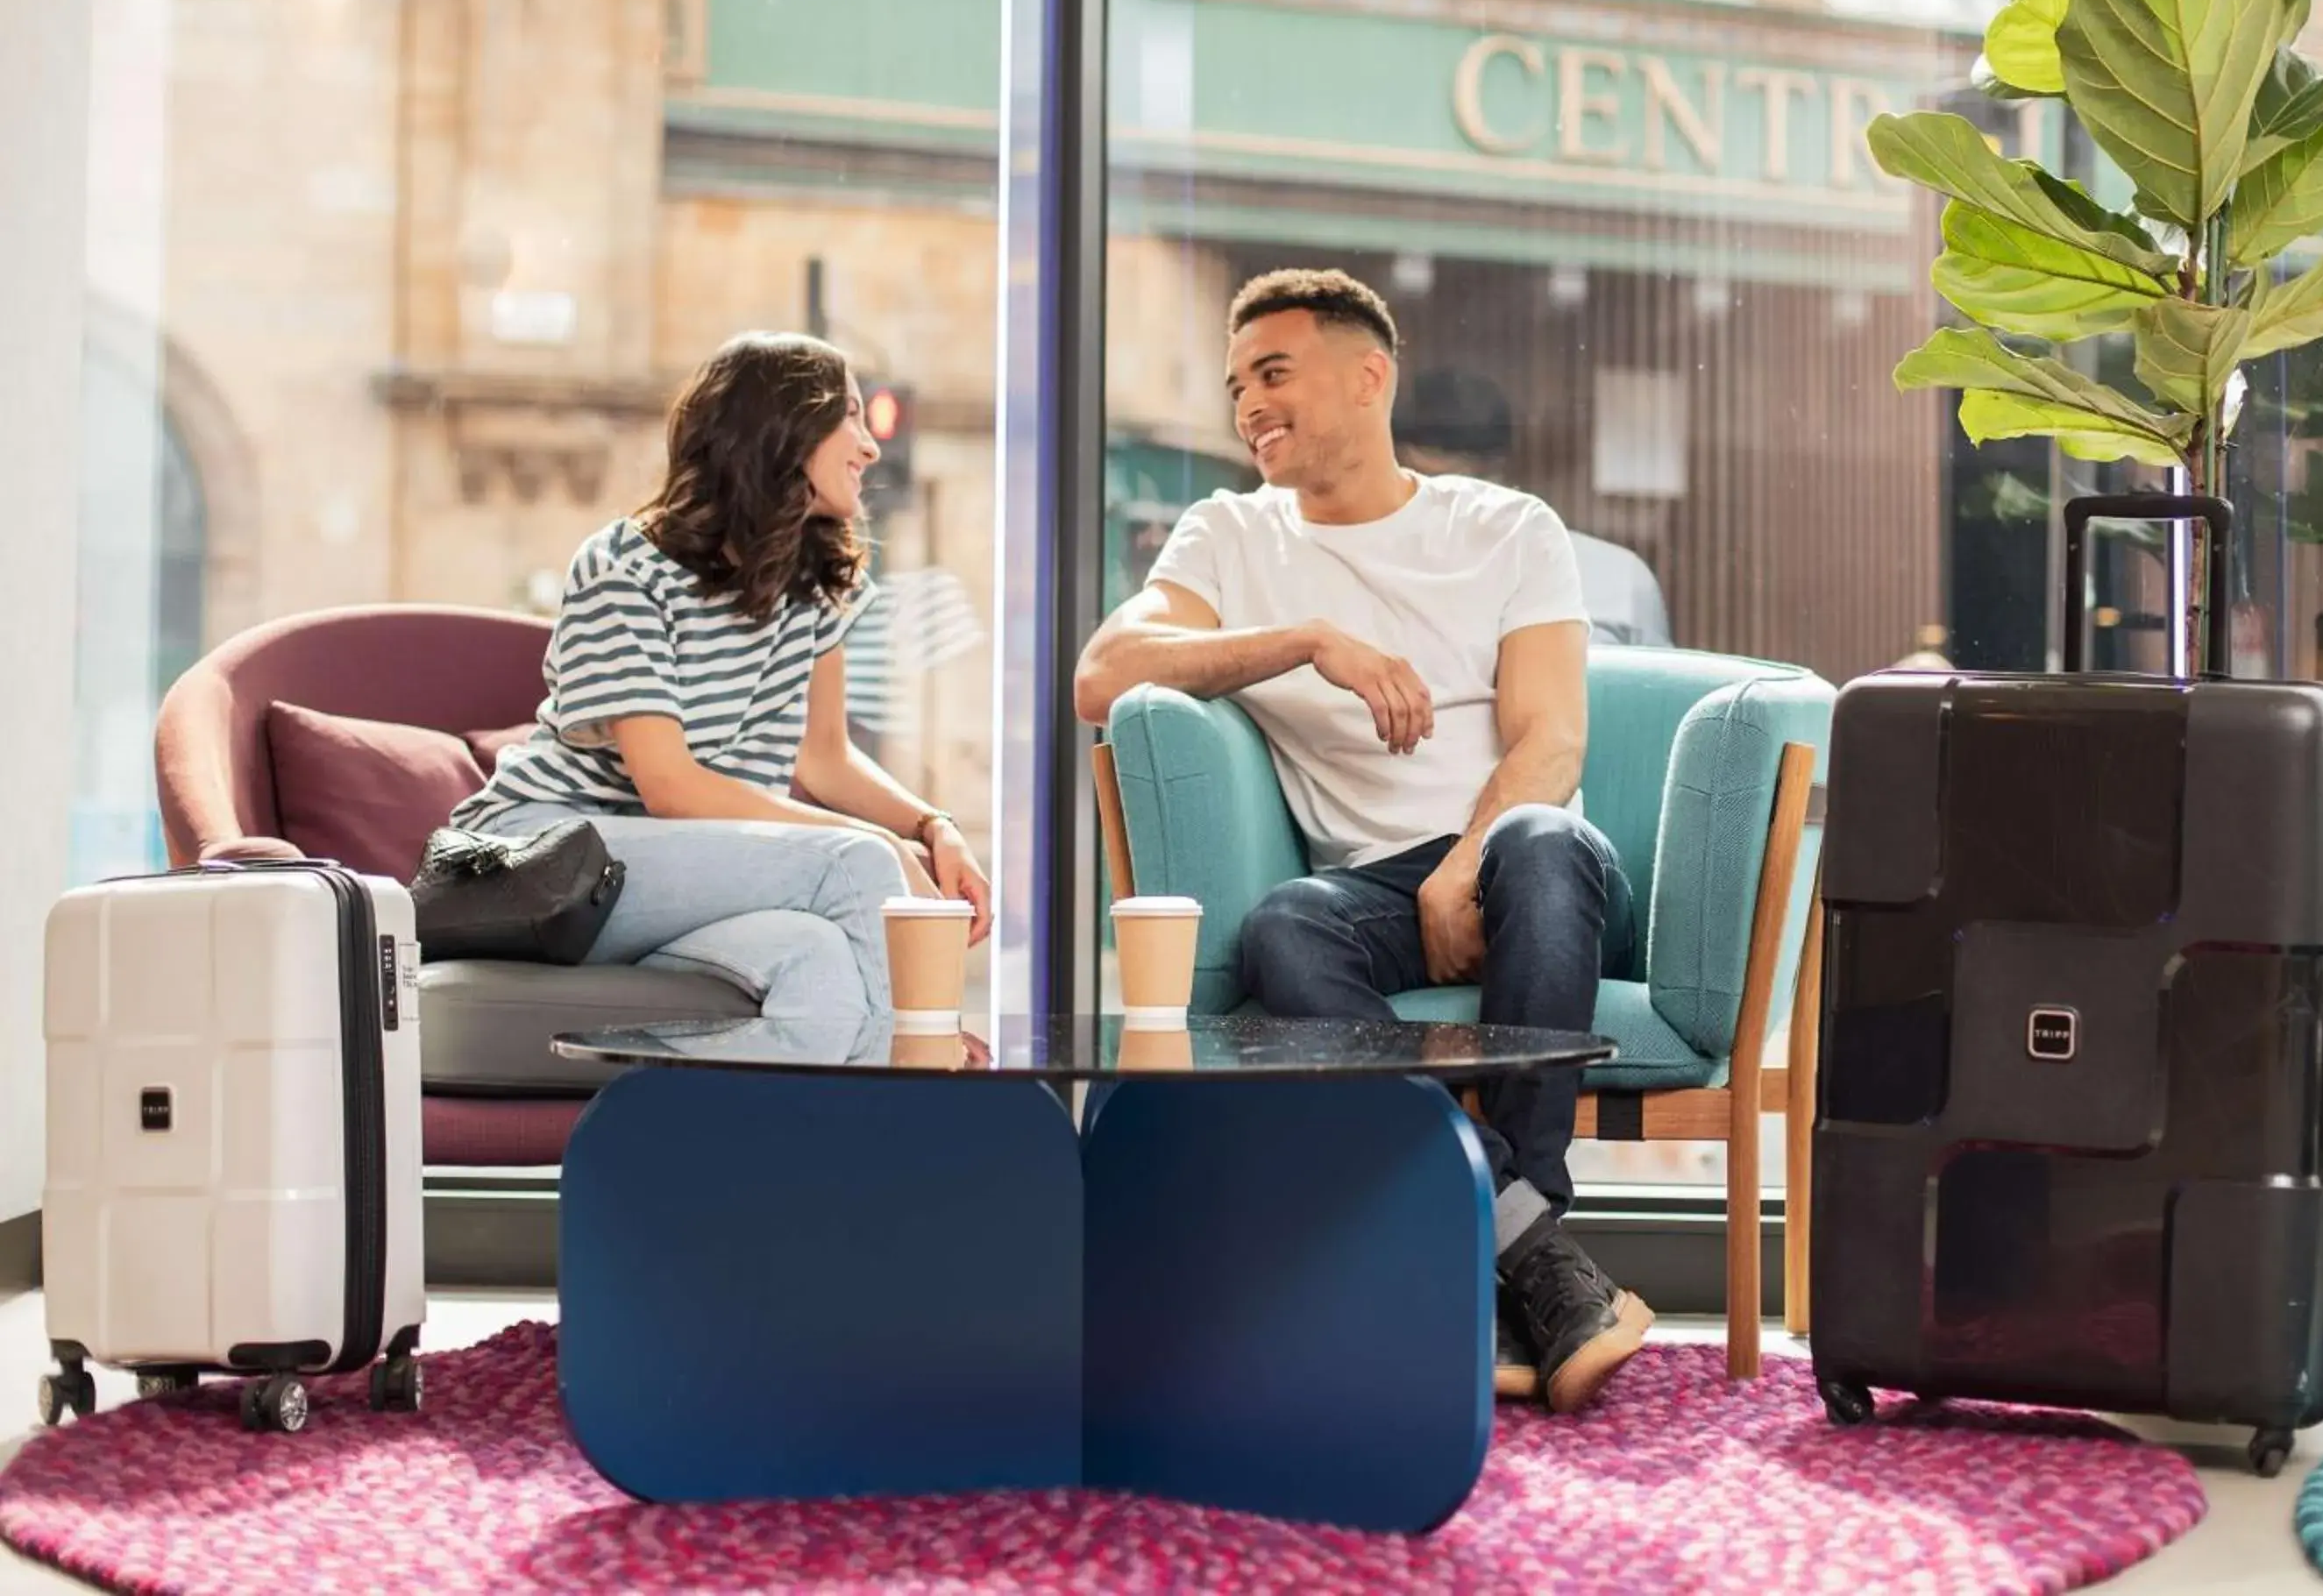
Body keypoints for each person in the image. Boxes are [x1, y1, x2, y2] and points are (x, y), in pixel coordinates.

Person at [1073, 268, 1652, 1415]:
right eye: (1238, 383)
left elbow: (1553, 739)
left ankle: (1497, 1246)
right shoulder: (1230, 534)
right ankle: (1538, 1256)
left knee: (1536, 837)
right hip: (1369, 899)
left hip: (1532, 861)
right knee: (1285, 923)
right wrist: (1307, 639)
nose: (1249, 405)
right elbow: (1104, 674)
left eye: (1274, 373)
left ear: (1369, 375)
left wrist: (1461, 859)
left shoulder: (1499, 524)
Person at [454, 331, 991, 1023]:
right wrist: (878, 844)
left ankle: (763, 1133)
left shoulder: (812, 583)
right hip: (560, 857)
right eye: (849, 416)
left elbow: (824, 758)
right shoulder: (626, 567)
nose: (870, 445)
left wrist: (932, 825)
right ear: (784, 429)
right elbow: (671, 787)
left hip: (693, 875)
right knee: (854, 866)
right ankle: (930, 1087)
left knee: (814, 961)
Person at [1395, 367, 1674, 649]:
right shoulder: (1376, 578)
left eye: (1466, 487)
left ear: (1503, 474)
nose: (1450, 509)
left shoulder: (1618, 579)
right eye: (1423, 489)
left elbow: (1655, 691)